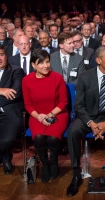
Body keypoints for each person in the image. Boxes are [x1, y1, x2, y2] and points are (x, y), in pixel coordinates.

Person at [66, 45, 105, 197]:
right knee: (73, 132)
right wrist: (92, 124)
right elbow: (79, 105)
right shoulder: (84, 77)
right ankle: (76, 174)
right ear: (98, 60)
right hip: (89, 117)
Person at [22, 49, 69, 183]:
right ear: (33, 65)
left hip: (57, 113)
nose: (45, 65)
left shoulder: (57, 77)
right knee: (38, 138)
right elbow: (28, 104)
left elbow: (63, 102)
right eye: (41, 63)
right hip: (36, 115)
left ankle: (53, 162)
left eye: (47, 62)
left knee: (54, 138)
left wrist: (49, 115)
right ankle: (45, 164)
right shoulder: (26, 80)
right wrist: (39, 117)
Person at [0, 45, 24, 175]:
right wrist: (1, 91)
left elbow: (15, 94)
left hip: (9, 112)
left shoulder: (16, 71)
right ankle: (5, 156)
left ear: (6, 56)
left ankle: (3, 154)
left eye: (1, 55)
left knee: (7, 139)